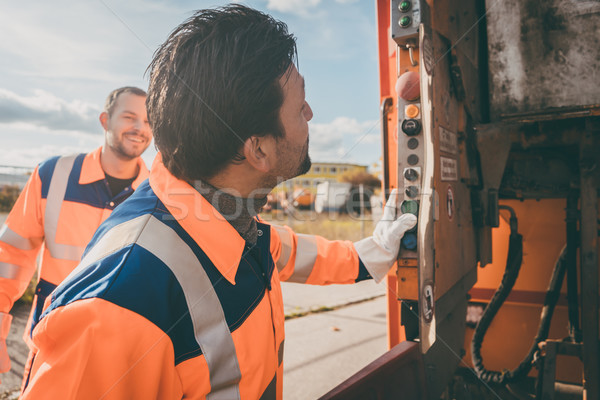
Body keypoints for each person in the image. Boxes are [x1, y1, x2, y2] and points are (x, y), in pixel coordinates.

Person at [20, 6, 416, 399]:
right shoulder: (115, 310)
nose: (310, 113)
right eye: (301, 105)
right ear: (258, 149)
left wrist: (371, 255)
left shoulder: (226, 222)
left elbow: (285, 250)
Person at [0, 86, 152, 381]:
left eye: (148, 121)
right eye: (129, 117)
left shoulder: (158, 191)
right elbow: (11, 254)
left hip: (125, 357)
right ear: (105, 120)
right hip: (49, 344)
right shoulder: (52, 174)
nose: (139, 128)